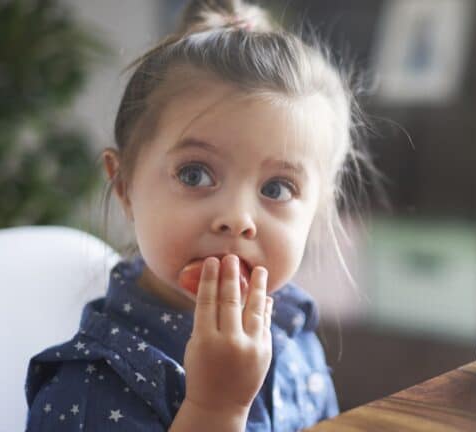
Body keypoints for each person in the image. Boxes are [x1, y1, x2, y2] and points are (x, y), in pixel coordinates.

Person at [24, 0, 376, 430]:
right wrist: (215, 409)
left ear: (318, 208)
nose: (237, 217)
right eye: (195, 174)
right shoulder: (89, 390)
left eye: (277, 188)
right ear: (125, 187)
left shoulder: (291, 327)